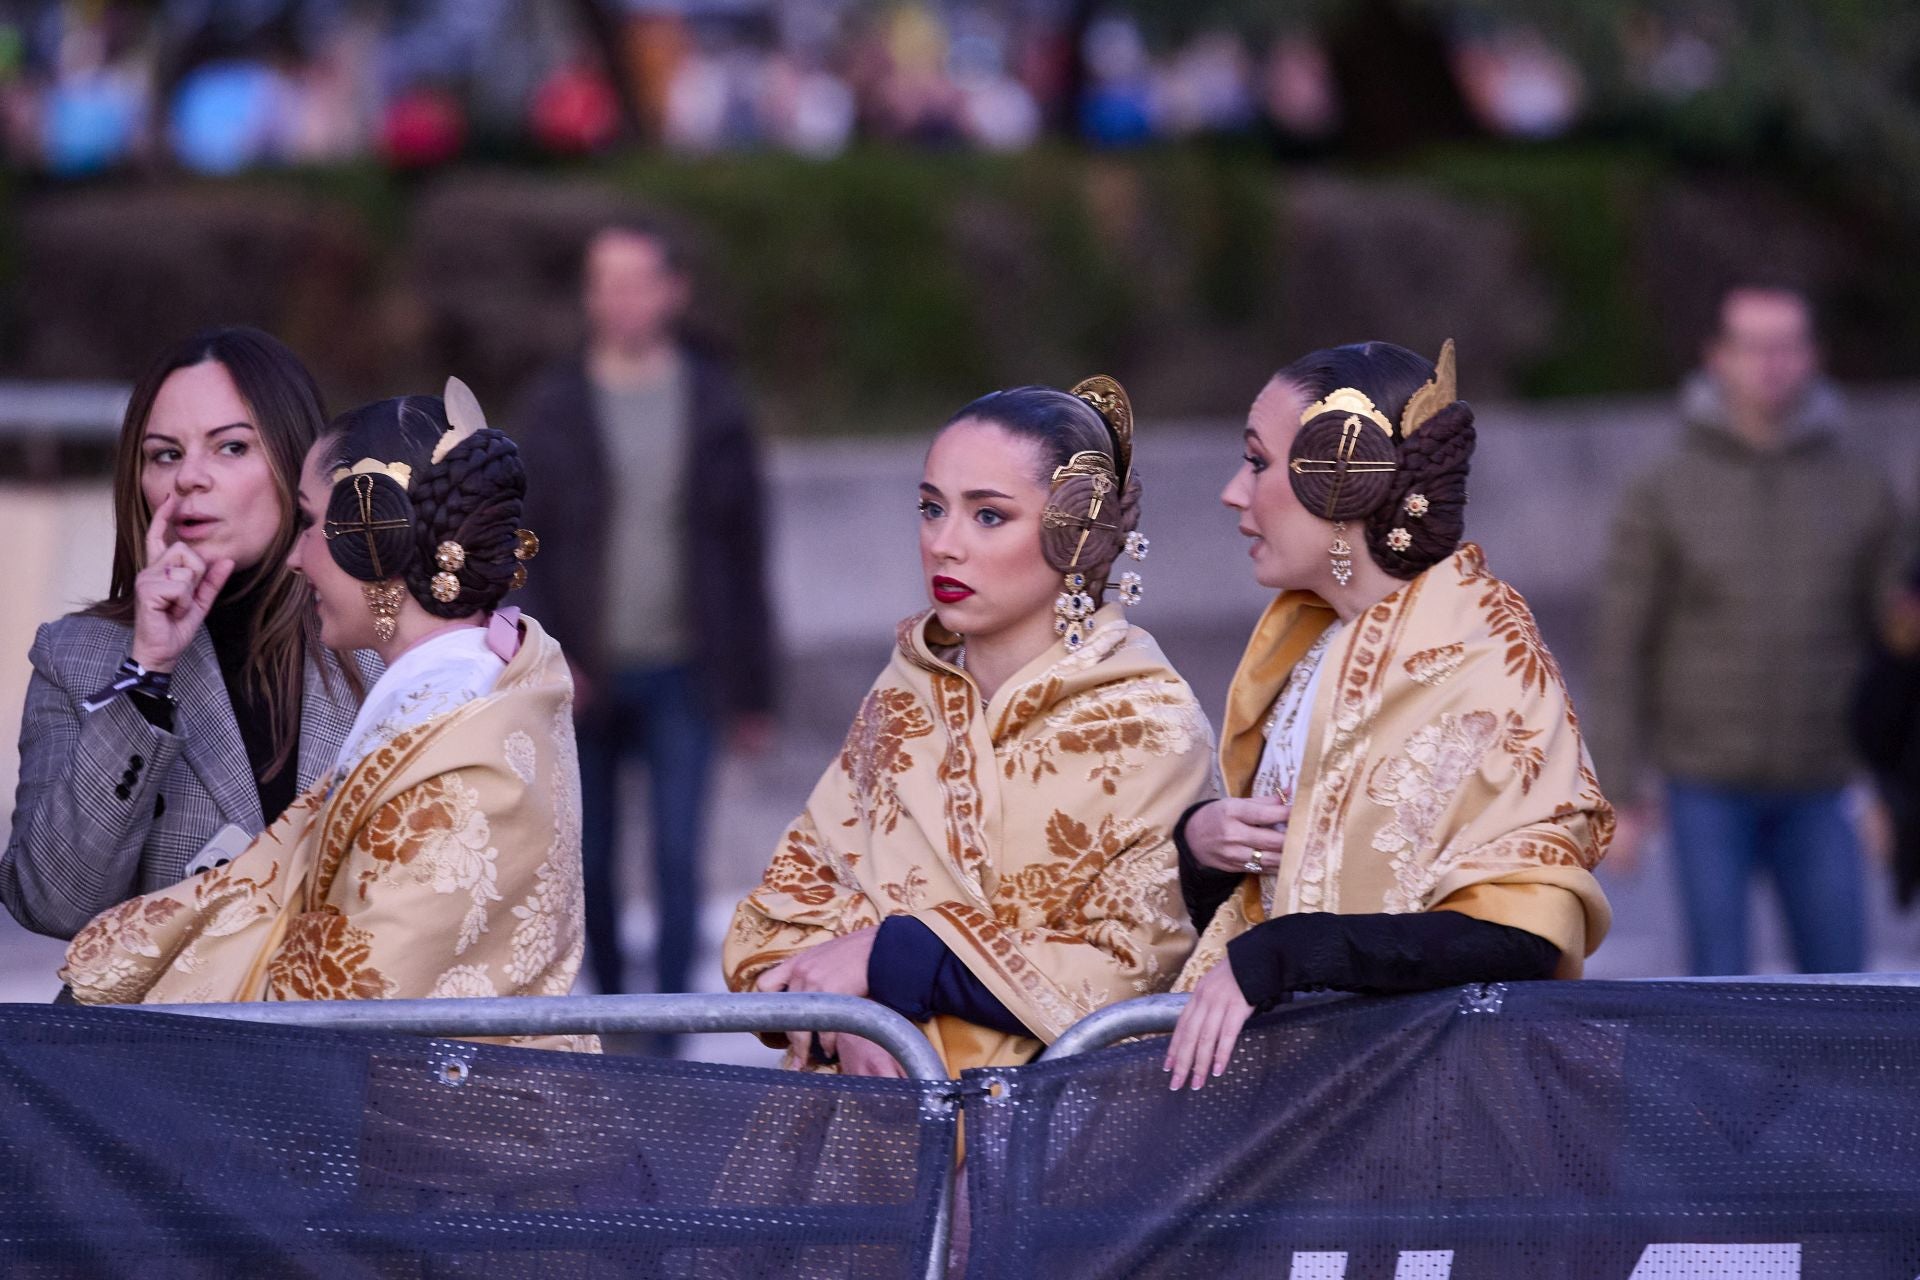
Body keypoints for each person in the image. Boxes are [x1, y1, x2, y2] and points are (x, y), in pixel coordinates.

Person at [58, 381, 592, 1050]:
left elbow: (356, 997)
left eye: (309, 524)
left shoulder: (460, 741)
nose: (294, 556)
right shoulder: (485, 692)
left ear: (373, 540)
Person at [723, 379, 1213, 1077]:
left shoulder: (1147, 725)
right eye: (931, 508)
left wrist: (888, 963)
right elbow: (777, 914)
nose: (943, 544)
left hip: (1050, 1150)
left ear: (1078, 531)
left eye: (988, 516)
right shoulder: (903, 696)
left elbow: (1130, 969)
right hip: (861, 1134)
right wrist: (857, 1019)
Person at [1163, 340, 1612, 1090]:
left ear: (1341, 476)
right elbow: (1270, 904)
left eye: (1257, 462)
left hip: (1436, 1121)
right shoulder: (1312, 641)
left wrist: (1293, 956)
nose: (1232, 493)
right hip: (1303, 1108)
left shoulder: (1481, 654)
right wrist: (1202, 847)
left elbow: (1523, 932)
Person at [4, 326, 373, 941]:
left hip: (344, 1030)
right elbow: (52, 903)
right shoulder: (77, 657)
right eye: (165, 455)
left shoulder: (381, 640)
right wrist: (146, 675)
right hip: (171, 1034)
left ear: (298, 462)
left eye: (230, 448)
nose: (189, 479)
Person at [1591, 285, 1895, 976]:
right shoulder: (1665, 487)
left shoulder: (1861, 487)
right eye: (1753, 346)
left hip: (1824, 782)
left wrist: (1897, 788)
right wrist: (1618, 794)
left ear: (1812, 356)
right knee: (1718, 988)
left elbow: (1896, 647)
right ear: (1719, 357)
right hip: (1705, 784)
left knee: (1842, 987)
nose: (1772, 364)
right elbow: (1621, 646)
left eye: (1787, 345)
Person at [511, 216, 774, 1006]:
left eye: (635, 282)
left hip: (684, 668)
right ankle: (618, 1009)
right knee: (586, 861)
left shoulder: (714, 403)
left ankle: (666, 1027)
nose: (618, 301)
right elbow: (522, 542)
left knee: (678, 856)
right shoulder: (553, 405)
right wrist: (547, 656)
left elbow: (745, 550)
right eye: (604, 284)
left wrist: (754, 691)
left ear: (671, 291)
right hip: (583, 672)